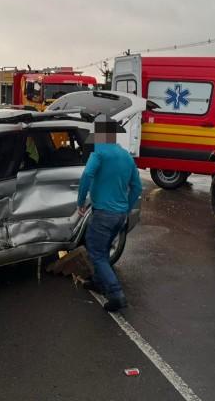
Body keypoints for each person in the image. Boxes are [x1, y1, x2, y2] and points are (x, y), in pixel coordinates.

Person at [77, 114, 142, 312]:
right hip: (120, 216)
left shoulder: (99, 153)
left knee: (95, 252)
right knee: (102, 249)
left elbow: (87, 174)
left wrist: (81, 201)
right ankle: (98, 282)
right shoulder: (126, 156)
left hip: (104, 214)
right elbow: (137, 187)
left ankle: (116, 294)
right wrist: (127, 208)